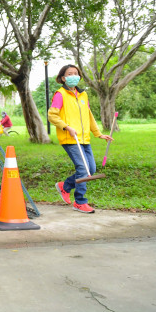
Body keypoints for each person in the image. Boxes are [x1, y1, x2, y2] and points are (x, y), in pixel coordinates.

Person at [47, 64, 113, 213]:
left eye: (75, 73)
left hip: (84, 139)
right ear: (63, 78)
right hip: (70, 138)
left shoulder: (83, 95)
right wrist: (66, 127)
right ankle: (80, 201)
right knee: (83, 169)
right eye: (69, 74)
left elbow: (89, 117)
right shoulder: (60, 94)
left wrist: (99, 134)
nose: (73, 76)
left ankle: (66, 186)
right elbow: (52, 115)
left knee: (91, 168)